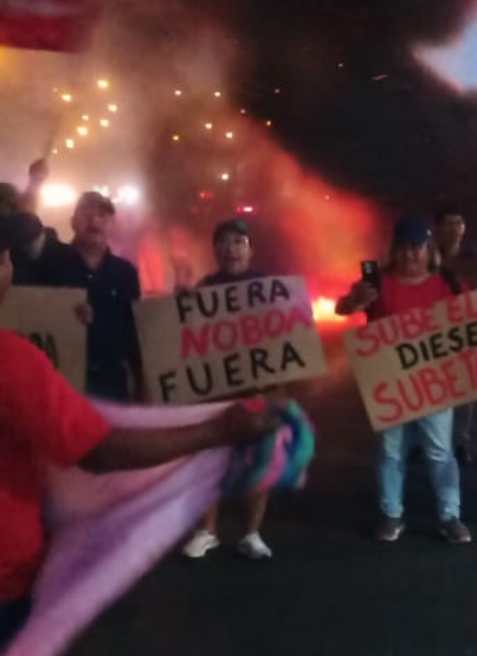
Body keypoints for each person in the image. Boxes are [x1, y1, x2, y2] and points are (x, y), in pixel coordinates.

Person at [0, 212, 280, 647]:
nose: (10, 268)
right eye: (2, 258)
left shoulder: (127, 275)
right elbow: (99, 450)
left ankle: (248, 530)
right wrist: (214, 432)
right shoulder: (12, 362)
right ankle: (206, 529)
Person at [336, 217, 471, 544]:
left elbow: (472, 320)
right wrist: (357, 300)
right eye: (405, 248)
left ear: (429, 250)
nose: (411, 255)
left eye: (417, 248)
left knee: (440, 452)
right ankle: (391, 514)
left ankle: (449, 515)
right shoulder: (378, 283)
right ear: (394, 251)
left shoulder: (447, 283)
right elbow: (343, 308)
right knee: (391, 450)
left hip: (435, 382)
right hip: (391, 382)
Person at [180, 220, 284, 561]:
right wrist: (180, 301)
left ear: (251, 250)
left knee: (260, 460)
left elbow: (286, 335)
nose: (231, 248)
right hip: (215, 393)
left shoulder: (268, 288)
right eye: (223, 242)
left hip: (258, 391)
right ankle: (206, 531)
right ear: (216, 251)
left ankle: (251, 533)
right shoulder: (204, 288)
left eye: (239, 241)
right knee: (209, 461)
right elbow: (187, 335)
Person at [30, 192, 144, 402]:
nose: (94, 220)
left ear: (112, 224)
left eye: (102, 215)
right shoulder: (49, 263)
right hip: (59, 384)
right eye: (86, 213)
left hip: (111, 385)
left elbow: (134, 333)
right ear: (72, 222)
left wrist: (142, 385)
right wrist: (64, 315)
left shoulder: (125, 273)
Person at [433, 206, 477, 466]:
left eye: (458, 223)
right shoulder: (423, 258)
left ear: (464, 227)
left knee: (463, 395)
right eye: (447, 223)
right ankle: (429, 442)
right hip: (432, 333)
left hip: (465, 333)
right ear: (437, 228)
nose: (453, 229)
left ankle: (459, 442)